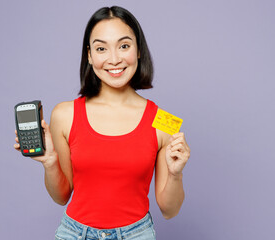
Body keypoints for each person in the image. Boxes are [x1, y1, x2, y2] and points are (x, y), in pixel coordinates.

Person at [14, 6, 190, 240]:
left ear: (138, 50)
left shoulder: (165, 121)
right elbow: (61, 197)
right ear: (89, 55)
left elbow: (170, 210)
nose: (114, 59)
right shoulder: (65, 114)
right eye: (101, 48)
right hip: (74, 234)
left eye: (124, 46)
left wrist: (176, 174)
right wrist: (50, 162)